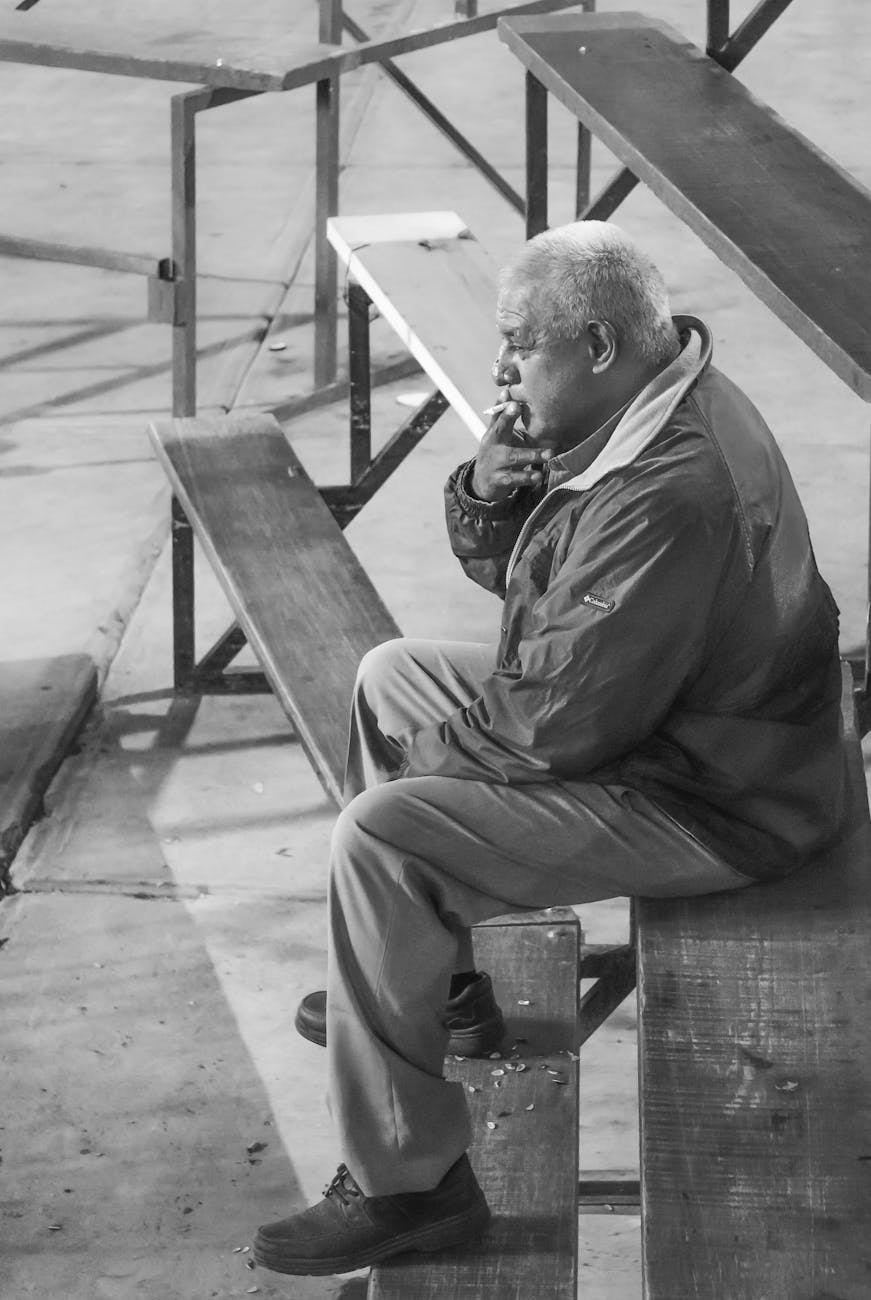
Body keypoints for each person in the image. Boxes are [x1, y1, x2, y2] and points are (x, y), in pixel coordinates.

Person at [253, 220, 847, 1277]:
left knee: (384, 836)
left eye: (521, 343)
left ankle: (409, 1184)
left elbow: (548, 726)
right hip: (675, 730)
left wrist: (424, 765)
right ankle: (443, 994)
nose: (501, 367)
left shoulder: (672, 489)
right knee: (391, 675)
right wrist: (492, 495)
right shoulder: (652, 407)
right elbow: (561, 611)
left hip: (723, 798)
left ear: (599, 346)